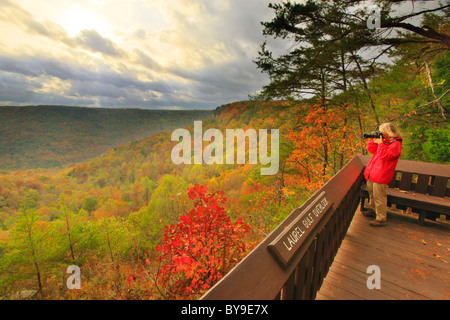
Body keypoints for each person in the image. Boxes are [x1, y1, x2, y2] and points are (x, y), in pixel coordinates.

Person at [362, 123, 402, 227]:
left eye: (381, 131)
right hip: (373, 172)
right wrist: (373, 140)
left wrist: (381, 144)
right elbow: (372, 151)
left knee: (379, 197)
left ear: (388, 132)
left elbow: (386, 156)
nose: (380, 133)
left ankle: (381, 218)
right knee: (372, 194)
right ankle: (373, 210)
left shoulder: (395, 144)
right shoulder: (386, 142)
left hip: (381, 174)